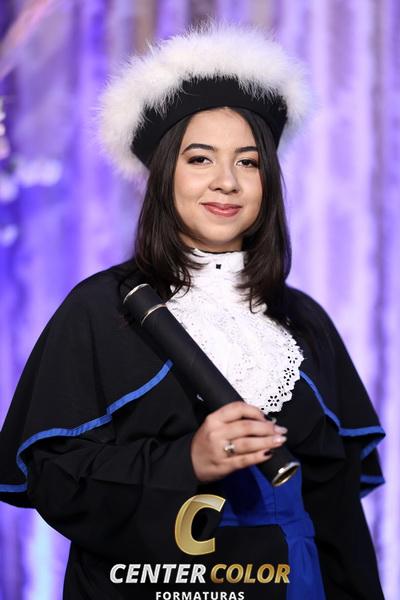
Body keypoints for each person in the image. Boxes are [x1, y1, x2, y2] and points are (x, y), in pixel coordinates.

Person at [0, 22, 385, 600]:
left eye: (248, 163)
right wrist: (188, 461)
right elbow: (55, 480)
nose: (227, 182)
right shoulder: (100, 308)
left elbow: (337, 514)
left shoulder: (305, 321)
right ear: (164, 175)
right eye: (200, 158)